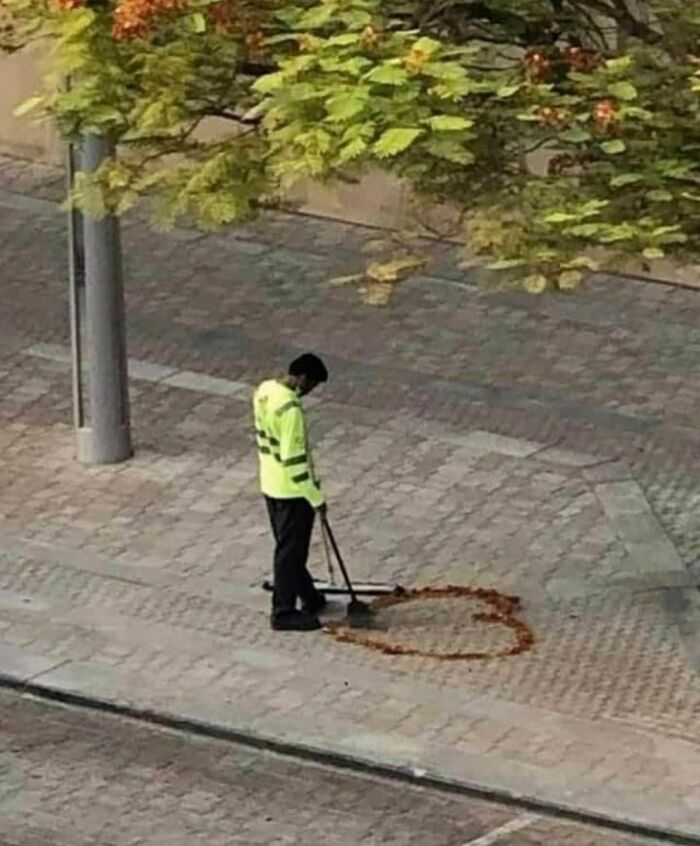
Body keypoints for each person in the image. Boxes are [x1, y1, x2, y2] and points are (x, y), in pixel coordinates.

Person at [253, 353, 329, 631]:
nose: (310, 392)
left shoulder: (264, 391)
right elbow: (295, 462)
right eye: (313, 386)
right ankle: (283, 611)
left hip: (269, 482)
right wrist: (315, 497)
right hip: (291, 491)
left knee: (288, 546)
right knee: (291, 552)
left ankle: (309, 595)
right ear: (304, 379)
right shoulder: (291, 411)